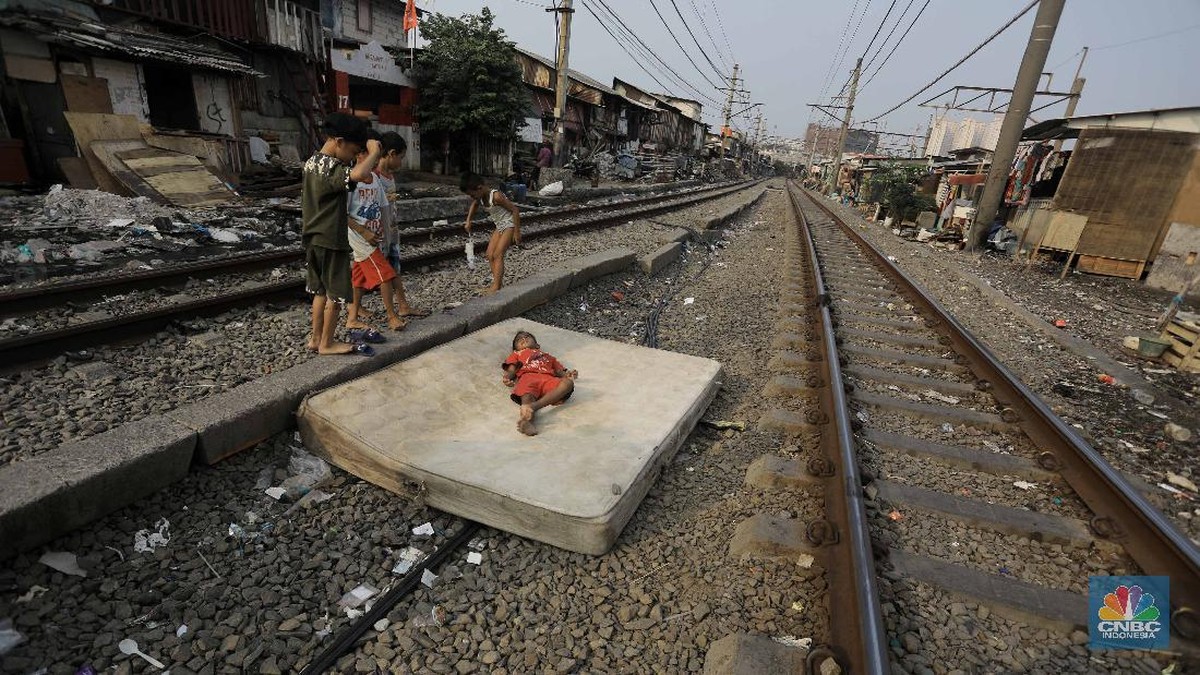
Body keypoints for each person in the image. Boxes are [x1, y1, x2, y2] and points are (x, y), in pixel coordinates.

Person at [302, 112, 381, 356]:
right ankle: (327, 343)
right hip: (331, 238)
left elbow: (357, 176)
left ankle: (316, 339)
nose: (354, 158)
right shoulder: (331, 167)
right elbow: (358, 174)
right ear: (339, 141)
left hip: (314, 237)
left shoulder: (312, 162)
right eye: (353, 151)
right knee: (336, 294)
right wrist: (374, 153)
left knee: (320, 291)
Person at [345, 131, 407, 334]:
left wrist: (382, 231)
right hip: (360, 238)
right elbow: (341, 213)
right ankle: (391, 316)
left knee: (358, 279)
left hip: (373, 236)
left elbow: (382, 207)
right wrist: (364, 232)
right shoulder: (350, 181)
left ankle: (352, 318)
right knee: (386, 275)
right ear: (360, 154)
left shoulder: (374, 180)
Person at [373, 132, 429, 320]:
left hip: (392, 230)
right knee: (384, 274)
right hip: (378, 232)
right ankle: (389, 314)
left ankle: (403, 305)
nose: (401, 162)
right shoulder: (373, 176)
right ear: (391, 153)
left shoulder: (389, 176)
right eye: (401, 157)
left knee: (394, 268)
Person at [501, 330, 577, 436]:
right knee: (527, 397)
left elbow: (559, 371)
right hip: (528, 377)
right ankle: (527, 422)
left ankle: (534, 406)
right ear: (515, 349)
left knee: (568, 383)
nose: (524, 339)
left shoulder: (548, 356)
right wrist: (507, 377)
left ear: (537, 345)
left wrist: (568, 375)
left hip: (548, 379)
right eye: (519, 339)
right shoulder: (516, 354)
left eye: (527, 336)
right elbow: (512, 368)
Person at [461, 173, 521, 294]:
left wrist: (517, 233)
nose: (472, 197)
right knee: (489, 254)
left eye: (472, 194)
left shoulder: (496, 196)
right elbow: (474, 205)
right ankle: (496, 283)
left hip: (509, 224)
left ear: (479, 188)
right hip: (499, 226)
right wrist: (468, 221)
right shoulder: (481, 197)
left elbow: (515, 210)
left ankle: (496, 286)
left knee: (498, 254)